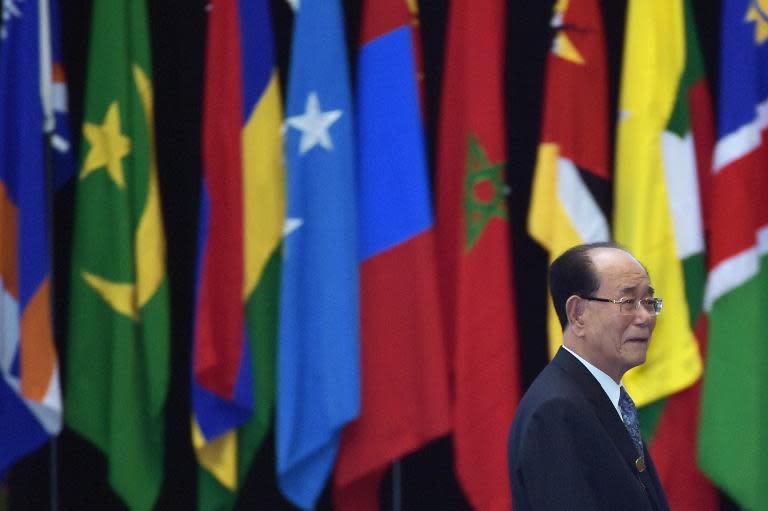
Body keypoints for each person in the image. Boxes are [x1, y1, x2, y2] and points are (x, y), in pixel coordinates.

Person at [507, 242, 670, 511]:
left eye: (649, 301)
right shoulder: (556, 411)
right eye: (628, 301)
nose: (645, 317)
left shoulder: (602, 398)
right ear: (578, 314)